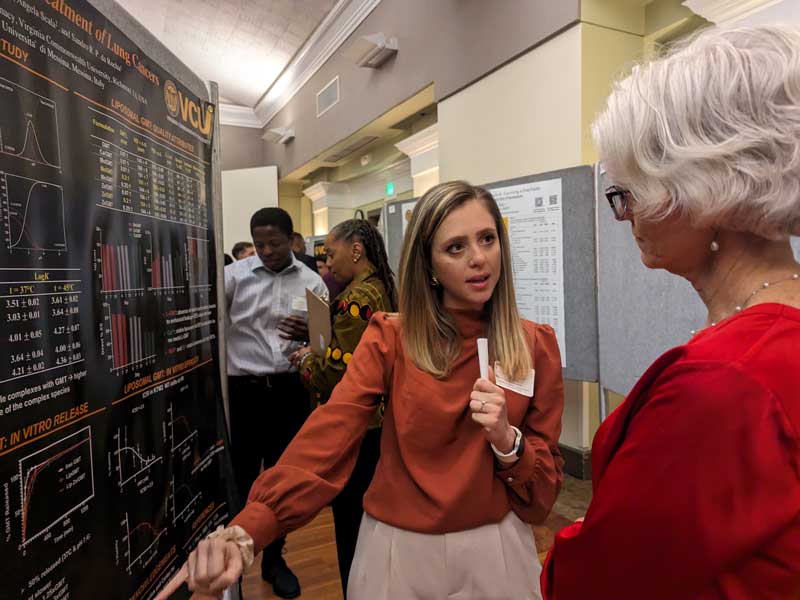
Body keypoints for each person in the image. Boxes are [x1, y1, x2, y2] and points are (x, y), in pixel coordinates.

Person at [156, 181, 565, 600]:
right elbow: (334, 427)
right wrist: (250, 527)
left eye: (487, 239)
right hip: (399, 551)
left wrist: (507, 442)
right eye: (455, 248)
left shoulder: (533, 345)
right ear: (429, 264)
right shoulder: (392, 339)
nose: (479, 258)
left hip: (495, 552)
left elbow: (542, 494)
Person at [542, 25, 800, 600]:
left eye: (629, 192)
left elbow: (602, 581)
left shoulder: (724, 383)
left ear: (702, 188)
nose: (626, 215)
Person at [288, 219, 397, 597]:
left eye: (331, 254)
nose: (326, 265)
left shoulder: (357, 300)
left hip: (358, 428)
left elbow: (337, 374)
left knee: (351, 527)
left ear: (356, 250)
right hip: (380, 426)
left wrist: (304, 361)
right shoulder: (382, 288)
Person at [223, 207, 328, 599]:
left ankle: (275, 560)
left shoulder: (312, 281)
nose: (266, 251)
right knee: (242, 476)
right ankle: (233, 564)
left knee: (283, 479)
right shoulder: (232, 278)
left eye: (275, 243)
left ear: (291, 240)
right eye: (259, 243)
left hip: (289, 392)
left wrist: (312, 331)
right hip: (244, 392)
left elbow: (322, 346)